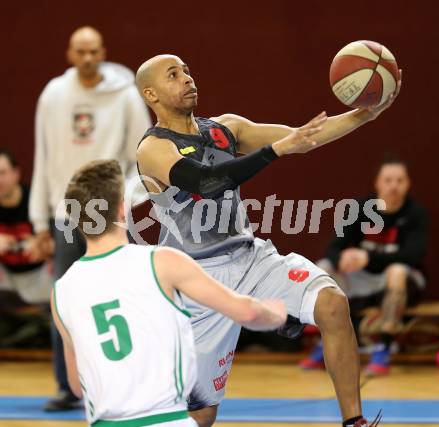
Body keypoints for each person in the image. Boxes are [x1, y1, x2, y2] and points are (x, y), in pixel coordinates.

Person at [135, 54, 401, 427]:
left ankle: (353, 422)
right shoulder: (153, 148)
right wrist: (276, 150)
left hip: (249, 257)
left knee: (332, 302)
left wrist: (363, 115)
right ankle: (275, 319)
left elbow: (304, 138)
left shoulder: (226, 128)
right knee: (202, 413)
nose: (187, 78)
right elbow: (206, 182)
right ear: (151, 94)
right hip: (196, 280)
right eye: (174, 75)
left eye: (188, 71)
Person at [52, 159, 287, 427]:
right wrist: (277, 314)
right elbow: (247, 311)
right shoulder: (161, 262)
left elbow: (77, 385)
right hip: (166, 420)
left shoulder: (61, 291)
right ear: (122, 210)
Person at [29, 26, 151, 411]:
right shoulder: (54, 94)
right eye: (80, 51)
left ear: (103, 52)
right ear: (70, 53)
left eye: (94, 51)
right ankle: (69, 387)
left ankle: (126, 386)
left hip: (109, 215)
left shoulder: (126, 94)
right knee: (65, 302)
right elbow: (43, 158)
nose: (87, 58)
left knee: (119, 298)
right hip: (66, 216)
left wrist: (124, 199)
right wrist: (39, 221)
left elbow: (145, 153)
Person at [300, 156, 428, 376]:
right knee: (324, 266)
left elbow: (412, 255)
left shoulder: (415, 213)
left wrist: (367, 257)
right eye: (388, 180)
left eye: (399, 180)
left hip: (402, 279)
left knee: (396, 270)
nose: (394, 186)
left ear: (408, 184)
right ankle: (326, 343)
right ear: (378, 182)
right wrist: (343, 259)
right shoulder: (360, 208)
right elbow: (334, 246)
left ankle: (384, 347)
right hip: (361, 278)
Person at [0, 149, 53, 305]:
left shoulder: (37, 202)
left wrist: (44, 245)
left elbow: (67, 244)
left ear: (16, 174)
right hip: (6, 280)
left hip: (41, 277)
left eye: (2, 173)